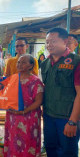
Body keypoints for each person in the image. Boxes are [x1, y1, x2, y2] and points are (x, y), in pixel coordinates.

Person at [41, 27, 80, 157]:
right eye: (47, 42)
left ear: (65, 41)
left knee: (67, 152)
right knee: (51, 148)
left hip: (67, 118)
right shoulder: (45, 63)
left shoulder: (76, 62)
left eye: (53, 41)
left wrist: (73, 121)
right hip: (49, 116)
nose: (49, 45)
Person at [2, 54, 44, 157]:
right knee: (13, 142)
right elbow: (6, 96)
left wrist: (24, 111)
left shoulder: (35, 81)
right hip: (13, 117)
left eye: (23, 62)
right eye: (18, 62)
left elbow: (39, 101)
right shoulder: (13, 79)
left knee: (28, 143)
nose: (19, 65)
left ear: (31, 66)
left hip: (28, 118)